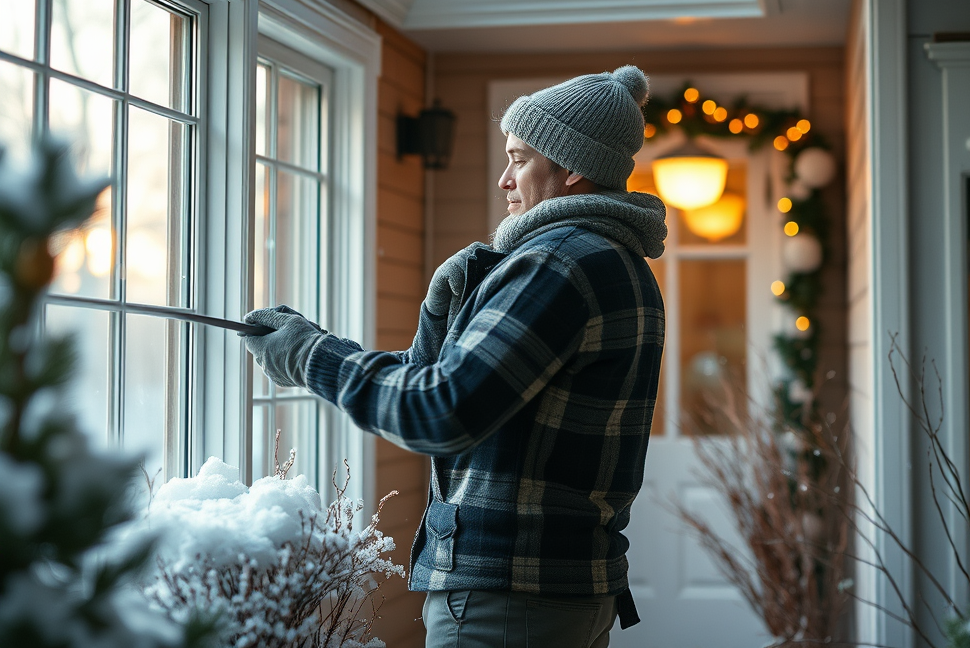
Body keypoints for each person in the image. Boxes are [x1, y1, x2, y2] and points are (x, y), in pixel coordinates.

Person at [242, 65, 667, 648]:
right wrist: (440, 313)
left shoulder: (557, 263)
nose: (504, 180)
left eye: (519, 159)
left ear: (571, 168)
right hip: (565, 592)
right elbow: (440, 384)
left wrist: (309, 357)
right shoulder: (616, 262)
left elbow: (439, 411)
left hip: (507, 602)